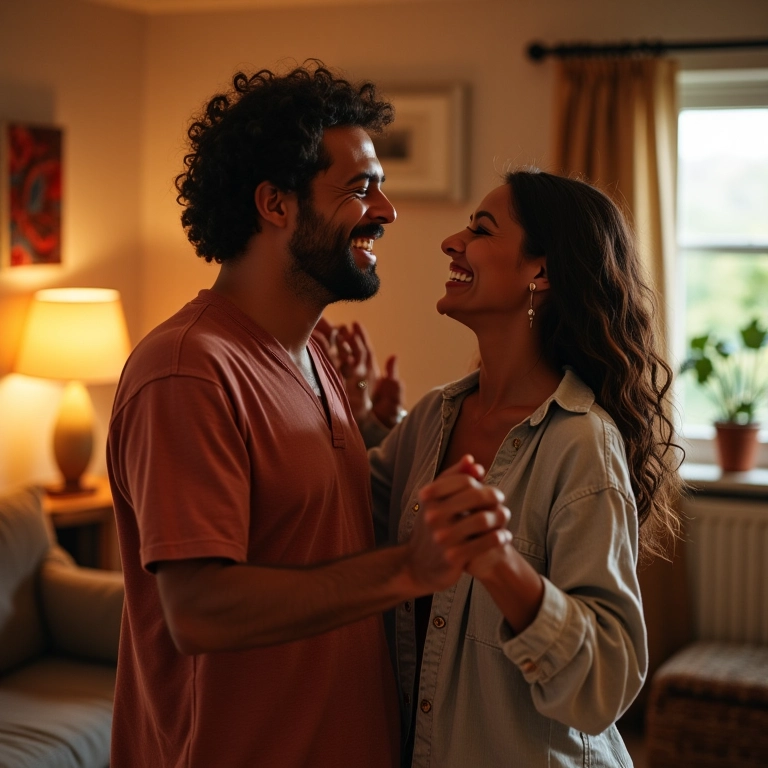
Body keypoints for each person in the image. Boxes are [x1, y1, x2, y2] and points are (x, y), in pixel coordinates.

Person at [106, 62, 512, 768]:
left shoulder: (314, 357)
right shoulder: (186, 370)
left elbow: (312, 527)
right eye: (361, 188)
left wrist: (376, 425)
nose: (387, 210)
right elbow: (200, 609)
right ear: (276, 204)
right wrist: (409, 569)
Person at [359, 169, 684, 767]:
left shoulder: (582, 445)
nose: (450, 242)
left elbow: (604, 689)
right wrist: (347, 412)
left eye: (480, 230)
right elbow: (349, 509)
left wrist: (502, 567)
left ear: (540, 271)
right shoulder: (432, 417)